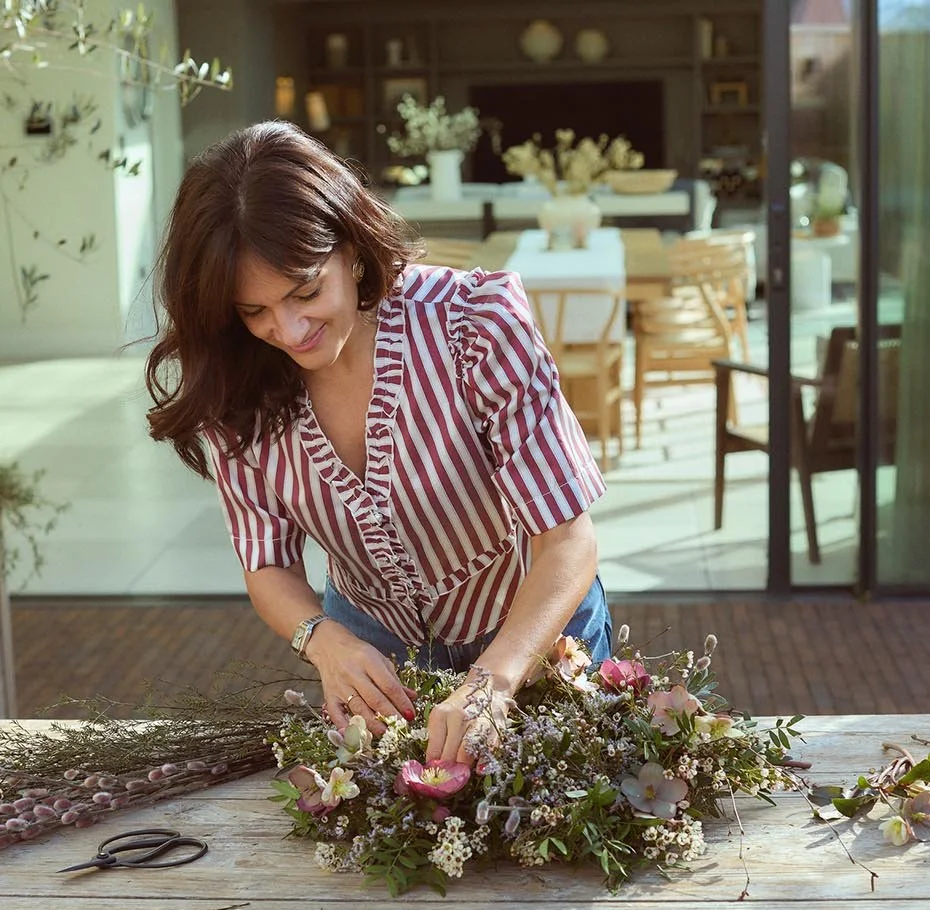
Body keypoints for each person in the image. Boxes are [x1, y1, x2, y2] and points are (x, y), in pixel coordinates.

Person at [144, 120, 611, 765]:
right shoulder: (234, 390)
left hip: (535, 636)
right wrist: (324, 641)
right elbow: (267, 564)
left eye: (306, 291)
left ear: (353, 252)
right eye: (255, 312)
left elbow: (568, 540)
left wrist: (495, 682)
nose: (289, 329)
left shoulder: (473, 325)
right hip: (374, 661)